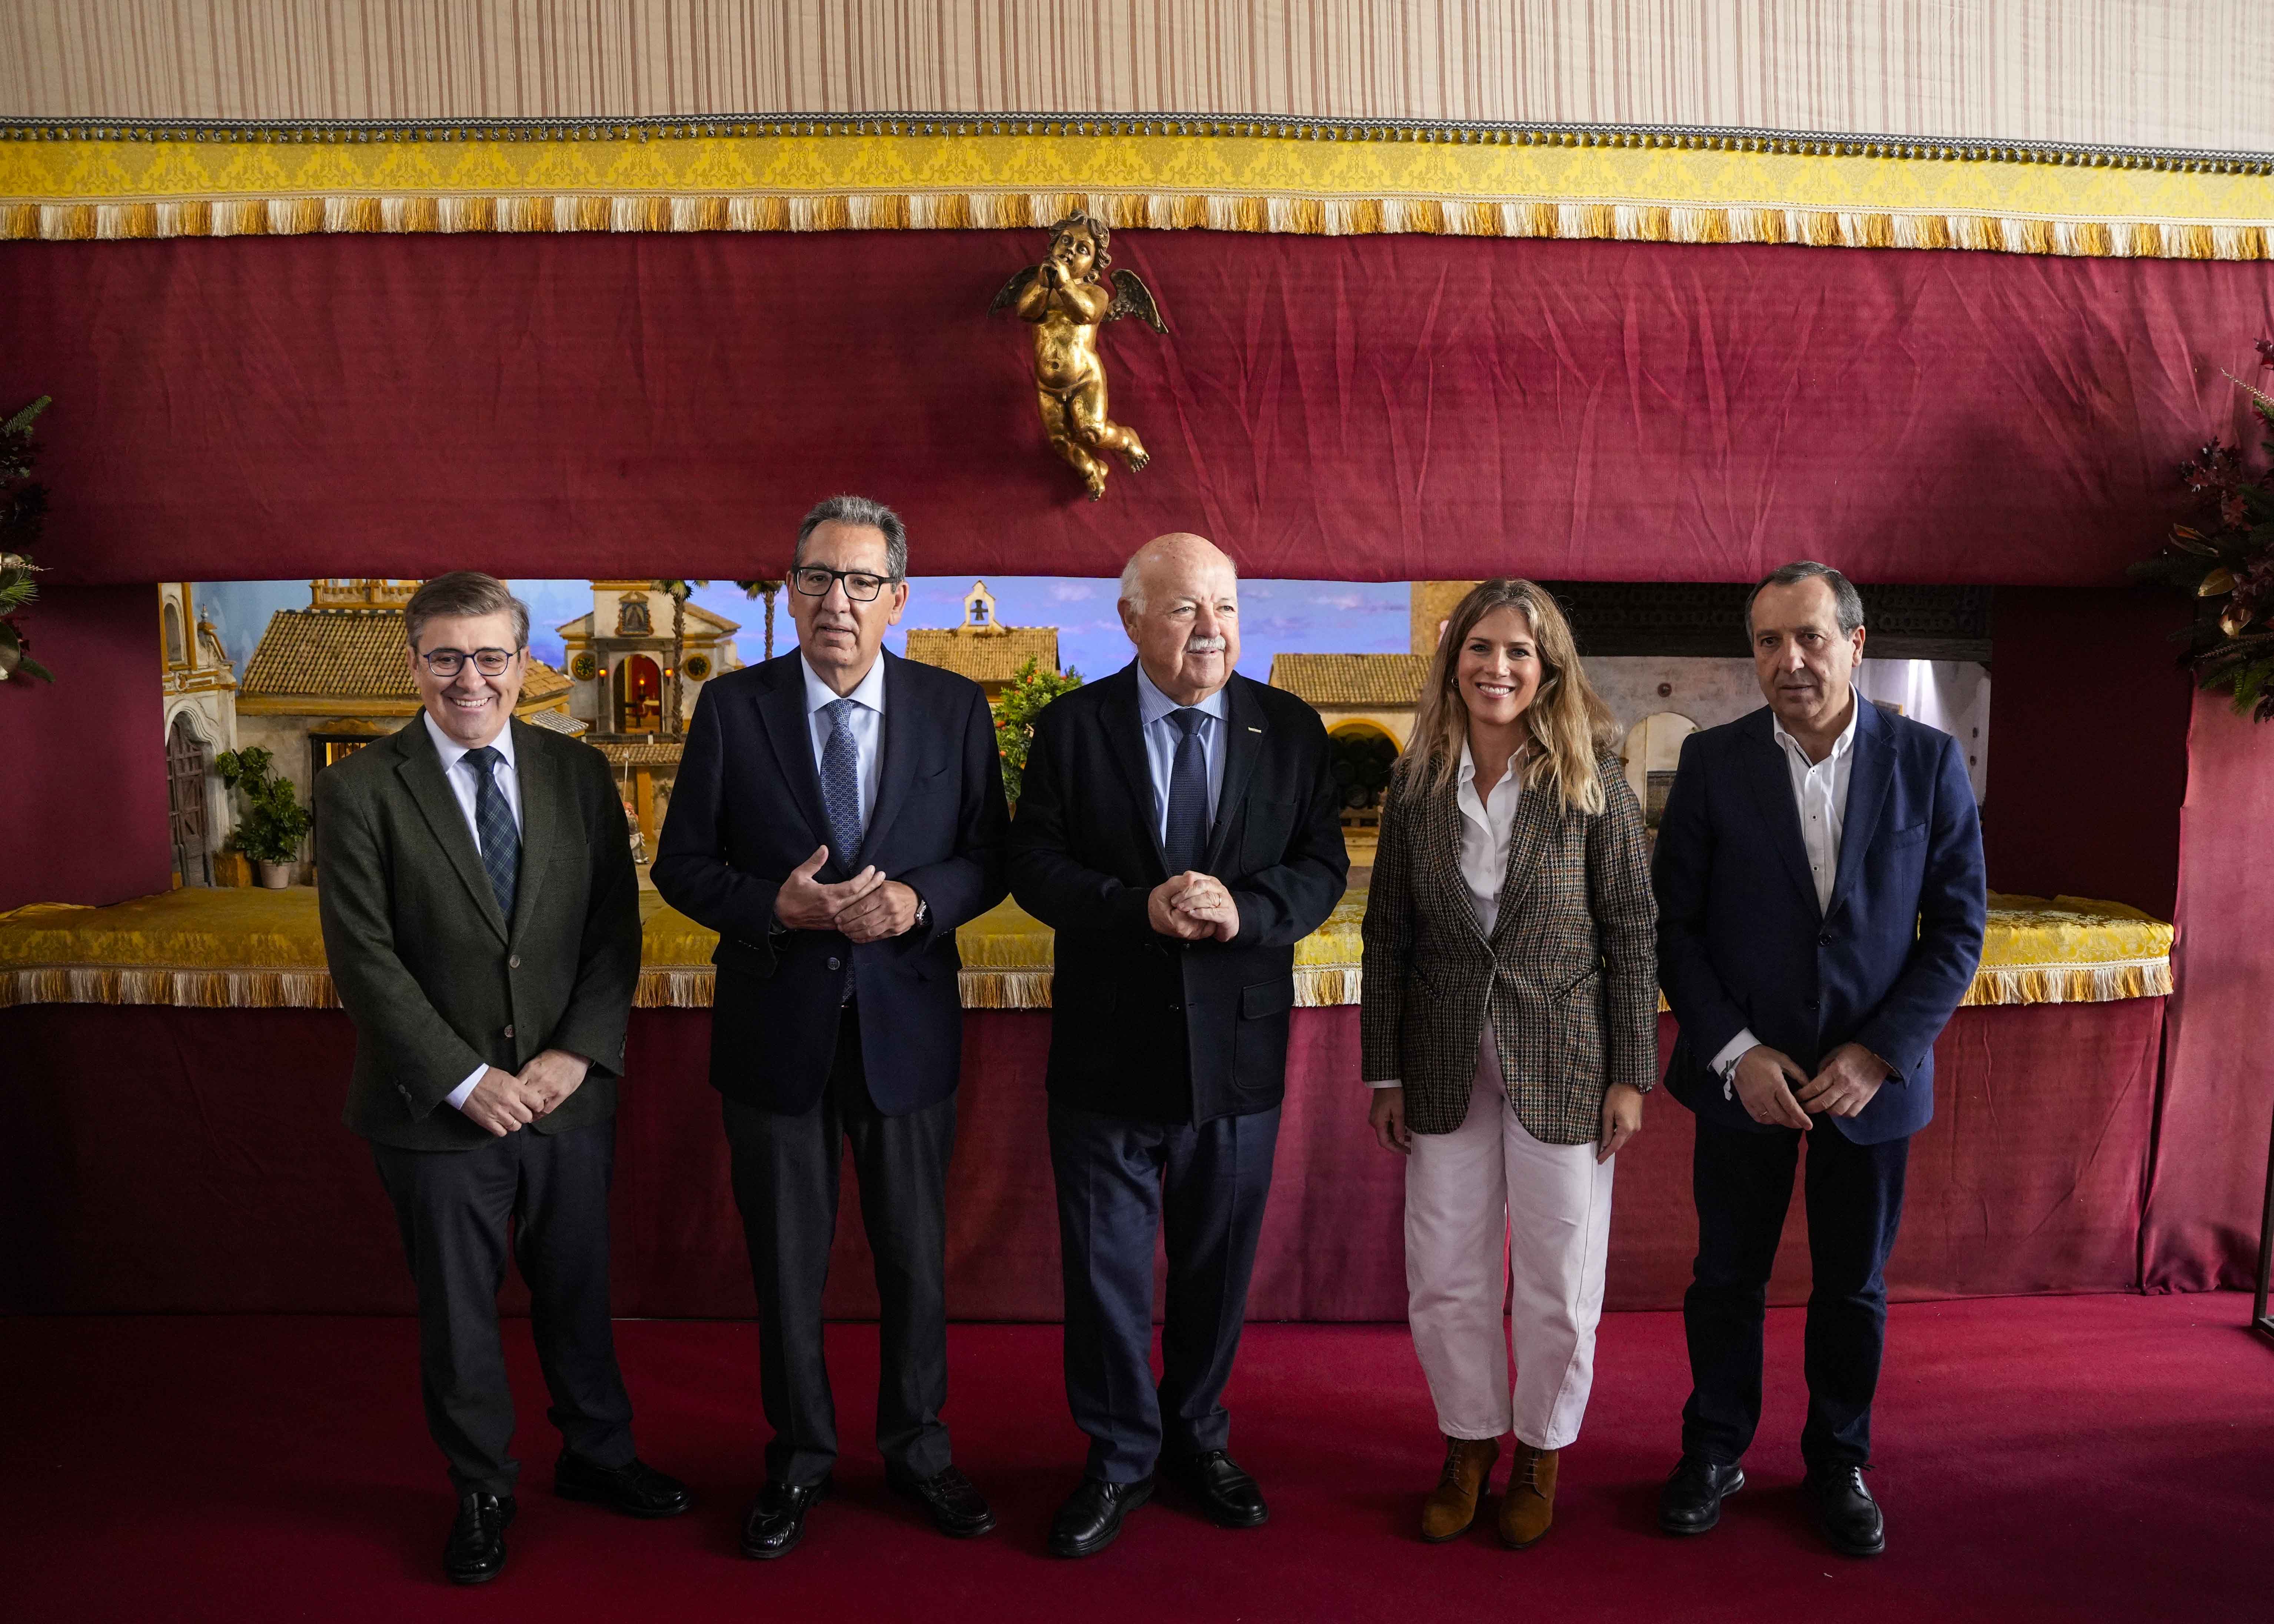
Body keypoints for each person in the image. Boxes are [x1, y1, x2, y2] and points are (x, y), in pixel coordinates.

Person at [652, 495, 1009, 1560]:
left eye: (860, 582)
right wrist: (775, 902)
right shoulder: (733, 708)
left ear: (897, 597)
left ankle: (920, 1453)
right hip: (776, 1032)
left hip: (906, 1031)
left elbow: (991, 855)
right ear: (793, 588)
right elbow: (682, 866)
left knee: (913, 1259)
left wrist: (916, 904)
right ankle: (799, 1461)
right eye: (816, 577)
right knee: (787, 1261)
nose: (836, 601)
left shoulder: (954, 710)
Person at [316, 572, 689, 1587]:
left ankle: (598, 1457)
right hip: (434, 1112)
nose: (468, 678)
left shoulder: (577, 774)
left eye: (490, 656)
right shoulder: (359, 789)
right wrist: (465, 1077)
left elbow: (614, 931)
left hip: (567, 1097)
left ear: (525, 665)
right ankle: (482, 1488)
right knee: (461, 1310)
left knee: (577, 1287)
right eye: (445, 656)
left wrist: (572, 1054)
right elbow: (364, 959)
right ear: (413, 665)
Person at [1008, 532, 1348, 1558]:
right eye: (1185, 609)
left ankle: (1197, 1438)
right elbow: (1033, 864)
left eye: (1226, 608)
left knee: (1214, 1265)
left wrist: (1245, 910)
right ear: (1129, 620)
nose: (1211, 629)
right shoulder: (1072, 728)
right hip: (1108, 1053)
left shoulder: (1288, 730)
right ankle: (1117, 1458)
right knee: (1107, 1273)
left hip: (1236, 1055)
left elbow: (1321, 866)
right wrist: (1133, 906)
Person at [1653, 561, 1985, 1558]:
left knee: (1851, 1286)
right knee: (1724, 1277)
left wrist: (1881, 1054)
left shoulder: (1927, 762)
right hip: (1741, 1079)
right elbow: (1677, 931)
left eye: (1807, 636)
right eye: (1766, 641)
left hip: (1868, 1083)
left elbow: (1957, 930)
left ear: (1855, 640)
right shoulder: (1711, 764)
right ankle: (1713, 1449)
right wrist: (1737, 1052)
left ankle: (1837, 1461)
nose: (1787, 659)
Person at [1360, 579, 1657, 1550]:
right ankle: (1467, 1441)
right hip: (1441, 1059)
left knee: (1558, 1271)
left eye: (1519, 653)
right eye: (1480, 648)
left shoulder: (1592, 778)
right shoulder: (1415, 787)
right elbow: (1386, 934)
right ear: (1454, 664)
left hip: (1566, 1057)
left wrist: (1629, 1072)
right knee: (1443, 1273)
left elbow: (1630, 930)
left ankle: (1539, 1448)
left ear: (1548, 670)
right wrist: (1384, 1072)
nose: (1497, 667)